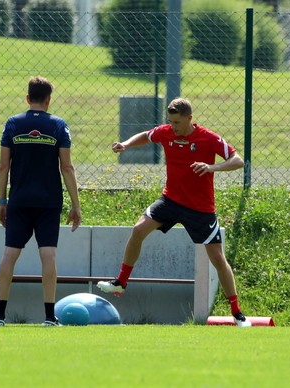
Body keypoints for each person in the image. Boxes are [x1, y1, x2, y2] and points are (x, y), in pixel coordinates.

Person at [97, 97, 252, 327]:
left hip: (200, 208)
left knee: (218, 258)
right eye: (170, 122)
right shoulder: (166, 132)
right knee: (138, 229)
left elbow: (237, 160)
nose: (173, 127)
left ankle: (237, 313)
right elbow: (147, 136)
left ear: (190, 118)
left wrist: (211, 167)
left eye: (177, 122)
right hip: (170, 200)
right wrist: (126, 144)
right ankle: (121, 282)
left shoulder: (208, 138)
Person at [0, 76, 82, 327]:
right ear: (49, 99)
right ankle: (49, 317)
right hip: (49, 202)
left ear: (28, 98)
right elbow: (67, 167)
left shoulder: (12, 124)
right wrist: (76, 205)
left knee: (9, 254)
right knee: (49, 256)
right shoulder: (58, 126)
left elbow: (2, 167)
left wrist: (2, 200)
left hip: (19, 201)